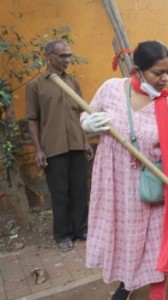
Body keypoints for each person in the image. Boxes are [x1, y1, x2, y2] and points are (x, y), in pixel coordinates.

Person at [81, 41, 168, 300]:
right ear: (137, 70)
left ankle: (157, 290)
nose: (165, 79)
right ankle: (126, 284)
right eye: (158, 73)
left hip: (153, 184)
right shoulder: (111, 89)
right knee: (124, 239)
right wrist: (88, 124)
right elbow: (88, 114)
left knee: (155, 241)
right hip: (115, 182)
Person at [25, 39, 92, 252]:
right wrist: (38, 149)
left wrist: (85, 141)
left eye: (69, 56)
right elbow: (32, 119)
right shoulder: (36, 86)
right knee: (59, 193)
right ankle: (63, 235)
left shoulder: (72, 82)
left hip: (76, 145)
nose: (67, 60)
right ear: (49, 57)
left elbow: (81, 112)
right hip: (53, 148)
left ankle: (82, 229)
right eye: (63, 56)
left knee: (80, 190)